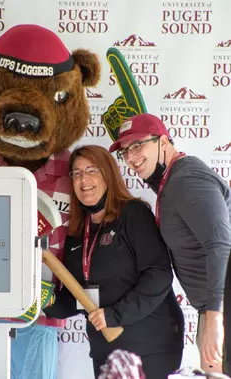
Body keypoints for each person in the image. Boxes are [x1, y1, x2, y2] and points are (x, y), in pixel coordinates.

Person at [44, 145, 184, 379]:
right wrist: (46, 300)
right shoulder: (78, 231)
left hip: (149, 347)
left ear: (108, 174)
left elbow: (158, 275)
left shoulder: (133, 213)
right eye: (76, 173)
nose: (83, 179)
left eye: (91, 170)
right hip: (106, 351)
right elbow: (80, 297)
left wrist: (114, 314)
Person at [109, 113, 231, 374]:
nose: (130, 157)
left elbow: (220, 246)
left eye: (137, 145)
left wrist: (215, 317)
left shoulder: (188, 179)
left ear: (163, 142)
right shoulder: (171, 181)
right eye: (124, 151)